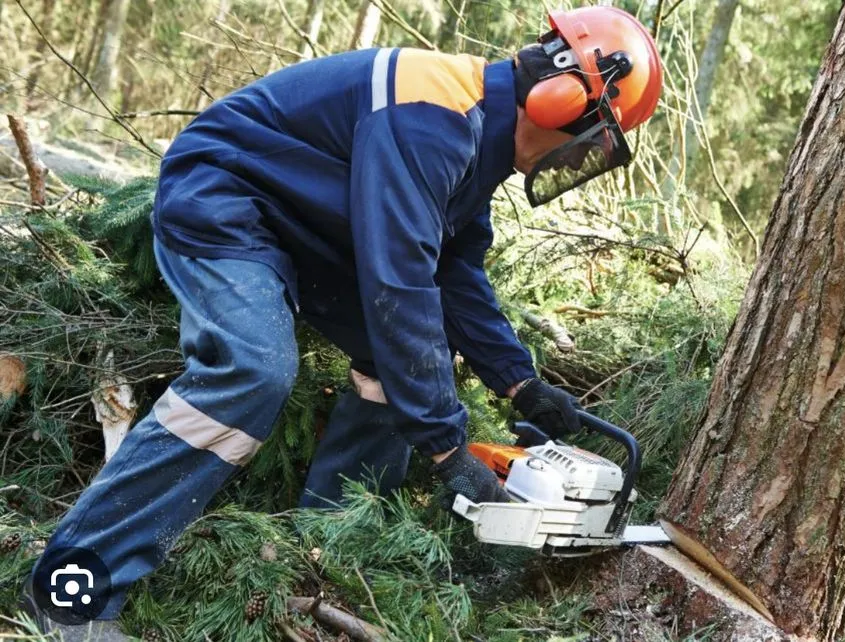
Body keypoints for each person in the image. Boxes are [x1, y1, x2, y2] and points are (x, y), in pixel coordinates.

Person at [22, 6, 663, 639]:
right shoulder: (432, 116)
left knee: (394, 366)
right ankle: (73, 589)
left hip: (312, 231)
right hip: (225, 199)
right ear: (560, 99)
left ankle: (322, 551)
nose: (583, 155)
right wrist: (448, 449)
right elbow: (400, 284)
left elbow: (455, 275)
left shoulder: (477, 136)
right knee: (253, 371)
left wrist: (520, 384)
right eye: (594, 134)